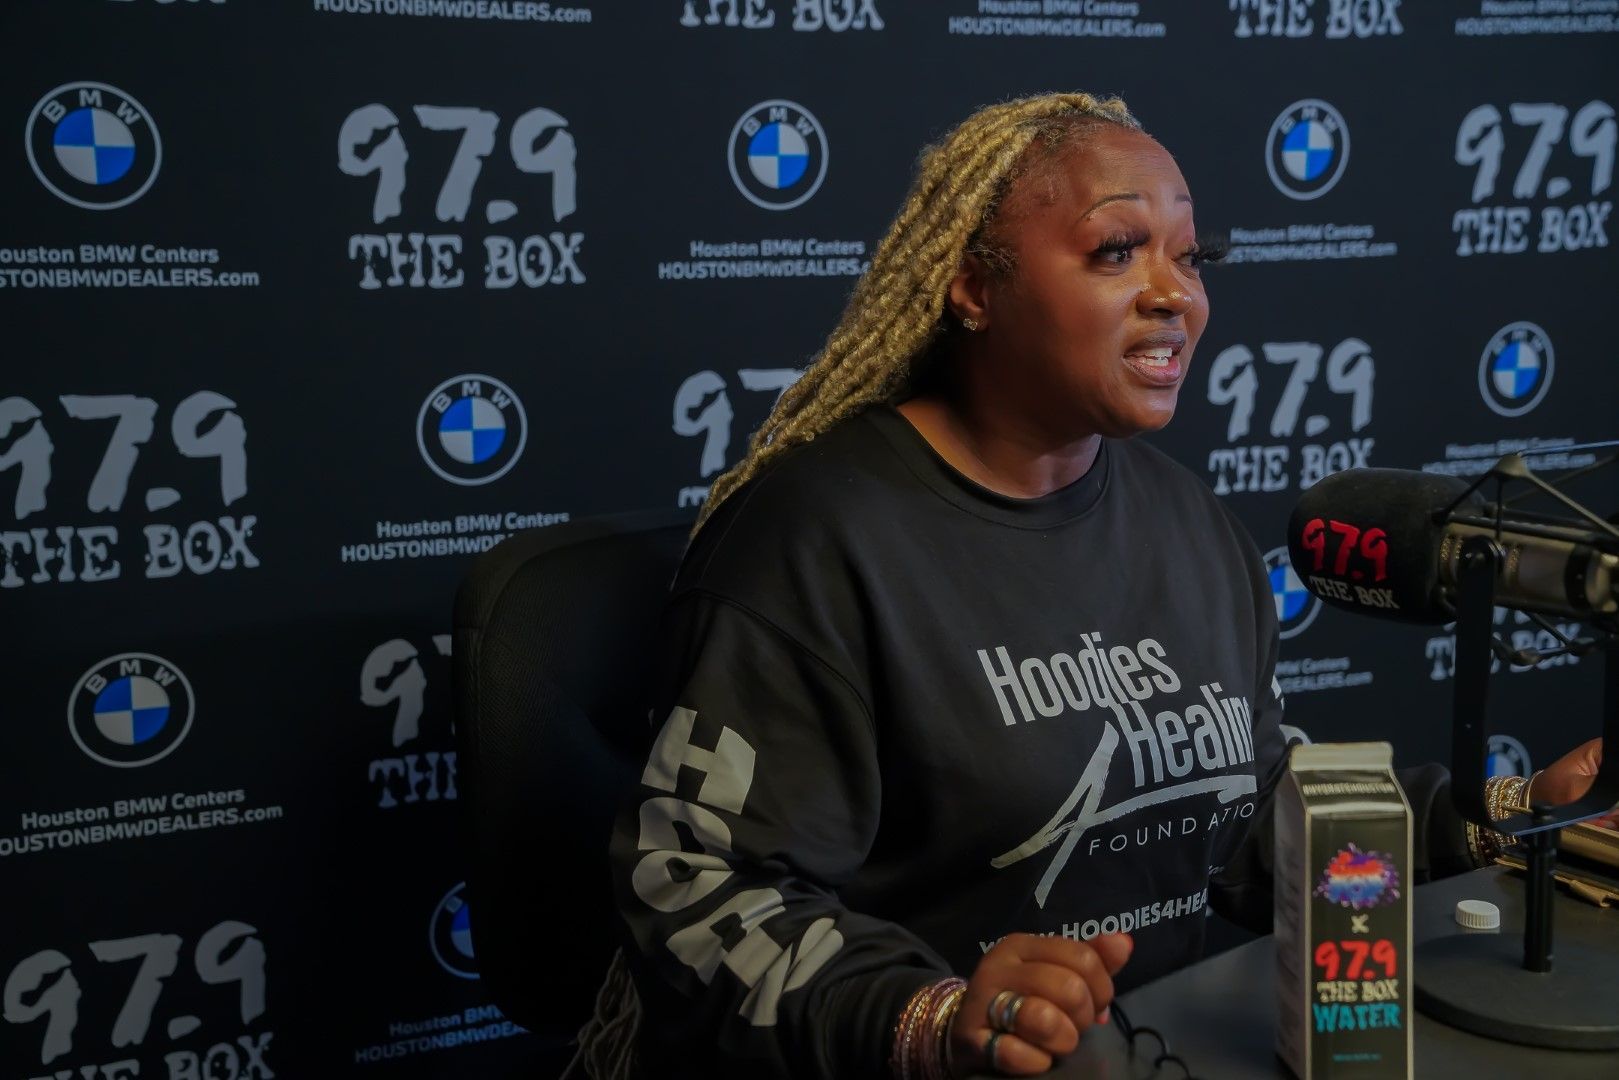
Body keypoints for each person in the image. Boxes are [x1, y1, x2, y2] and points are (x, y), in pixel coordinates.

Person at [592, 92, 1607, 1080]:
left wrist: (1511, 811)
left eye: (1191, 257)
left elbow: (1242, 821)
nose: (1176, 295)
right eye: (1117, 250)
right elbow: (702, 889)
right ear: (972, 289)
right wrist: (934, 1019)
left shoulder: (1188, 522)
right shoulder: (813, 544)